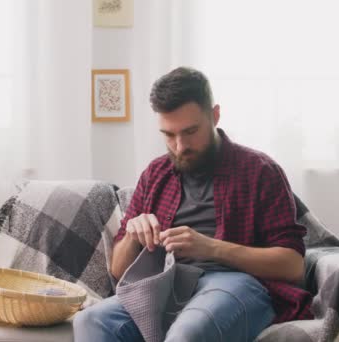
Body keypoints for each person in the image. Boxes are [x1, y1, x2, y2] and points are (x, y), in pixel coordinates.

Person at [73, 67, 313, 342]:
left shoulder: (260, 171)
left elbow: (293, 266)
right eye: (169, 135)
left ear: (215, 115)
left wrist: (211, 248)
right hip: (166, 285)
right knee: (90, 320)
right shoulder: (155, 174)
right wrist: (132, 236)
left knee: (188, 333)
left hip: (237, 283)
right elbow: (118, 269)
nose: (180, 146)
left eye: (190, 131)